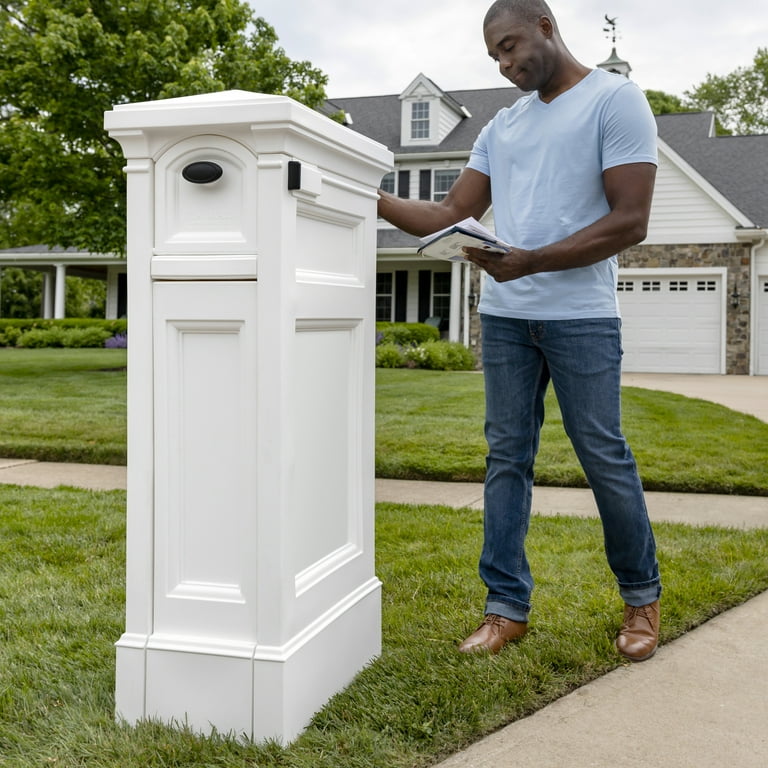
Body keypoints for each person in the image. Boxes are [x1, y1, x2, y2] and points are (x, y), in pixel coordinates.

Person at [377, 0, 662, 662]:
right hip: (505, 318)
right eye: (494, 57)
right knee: (507, 458)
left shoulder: (615, 101)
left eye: (508, 47)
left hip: (581, 317)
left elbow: (631, 220)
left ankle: (641, 598)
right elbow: (449, 212)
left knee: (603, 454)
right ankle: (505, 608)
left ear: (544, 26)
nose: (504, 65)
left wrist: (530, 260)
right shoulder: (502, 127)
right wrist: (371, 196)